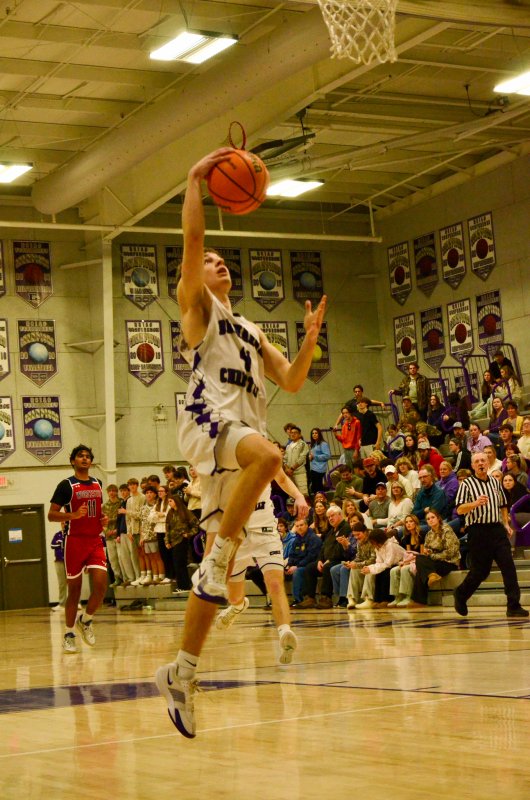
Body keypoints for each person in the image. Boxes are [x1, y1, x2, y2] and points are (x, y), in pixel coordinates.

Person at [155, 148, 327, 739]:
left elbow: (294, 379)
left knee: (210, 581)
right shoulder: (198, 309)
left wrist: (308, 339)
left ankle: (182, 670)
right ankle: (223, 553)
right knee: (273, 455)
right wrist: (194, 179)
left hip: (235, 447)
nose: (217, 263)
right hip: (210, 424)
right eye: (211, 260)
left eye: (225, 261)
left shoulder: (251, 328)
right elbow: (194, 237)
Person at [453, 452, 529, 618]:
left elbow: (503, 504)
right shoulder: (467, 484)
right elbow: (459, 509)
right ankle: (461, 593)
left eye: (483, 460)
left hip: (496, 529)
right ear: (472, 466)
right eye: (477, 461)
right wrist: (475, 503)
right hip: (477, 530)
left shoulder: (495, 482)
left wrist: (506, 524)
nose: (480, 463)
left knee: (508, 566)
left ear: (488, 463)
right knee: (481, 571)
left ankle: (513, 605)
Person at [48, 445, 108, 654]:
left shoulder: (98, 483)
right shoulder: (66, 485)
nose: (84, 459)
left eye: (88, 456)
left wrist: (103, 519)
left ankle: (87, 620)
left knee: (101, 584)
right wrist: (72, 516)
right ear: (73, 461)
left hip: (95, 540)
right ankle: (69, 633)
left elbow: (97, 511)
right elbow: (51, 514)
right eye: (80, 456)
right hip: (74, 542)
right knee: (74, 591)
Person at [297, 504, 350, 609]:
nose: (330, 518)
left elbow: (340, 549)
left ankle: (326, 597)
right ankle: (310, 598)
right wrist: (320, 560)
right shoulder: (331, 531)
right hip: (326, 560)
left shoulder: (346, 528)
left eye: (332, 516)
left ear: (340, 515)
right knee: (309, 568)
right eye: (329, 517)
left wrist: (329, 559)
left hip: (340, 560)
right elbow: (323, 548)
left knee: (328, 567)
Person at [408, 508, 460, 606]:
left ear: (438, 518)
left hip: (449, 563)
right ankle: (431, 575)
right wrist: (428, 552)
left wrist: (432, 555)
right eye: (428, 519)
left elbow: (450, 552)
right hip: (436, 563)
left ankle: (419, 601)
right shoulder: (429, 534)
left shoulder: (446, 530)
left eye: (433, 517)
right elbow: (427, 549)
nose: (430, 520)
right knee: (420, 558)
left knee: (421, 567)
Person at [358, 530, 406, 607]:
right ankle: (378, 599)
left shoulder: (390, 545)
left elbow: (388, 563)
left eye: (373, 541)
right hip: (389, 565)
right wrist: (370, 568)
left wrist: (371, 569)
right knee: (378, 573)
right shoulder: (378, 548)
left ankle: (387, 599)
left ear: (378, 539)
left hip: (399, 563)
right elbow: (379, 562)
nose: (373, 544)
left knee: (385, 573)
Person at [165, 491, 199, 592]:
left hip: (182, 541)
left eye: (170, 501)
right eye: (168, 501)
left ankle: (185, 586)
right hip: (173, 541)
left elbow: (196, 524)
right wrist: (167, 541)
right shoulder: (170, 513)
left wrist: (188, 534)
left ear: (176, 501)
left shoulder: (185, 512)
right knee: (176, 564)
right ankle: (181, 585)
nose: (169, 503)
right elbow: (167, 528)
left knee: (181, 564)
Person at [285, 518, 322, 606]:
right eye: (297, 526)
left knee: (298, 571)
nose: (299, 528)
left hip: (310, 565)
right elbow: (292, 555)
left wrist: (296, 566)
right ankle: (277, 601)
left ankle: (298, 599)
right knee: (280, 572)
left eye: (301, 525)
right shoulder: (296, 540)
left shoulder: (313, 538)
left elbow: (311, 557)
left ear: (306, 525)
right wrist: (289, 565)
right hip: (297, 565)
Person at [102, 484, 123, 588]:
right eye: (110, 491)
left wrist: (116, 530)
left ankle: (125, 578)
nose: (112, 493)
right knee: (112, 559)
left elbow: (122, 519)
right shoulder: (104, 506)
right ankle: (117, 578)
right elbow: (101, 522)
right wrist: (106, 531)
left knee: (121, 557)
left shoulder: (121, 503)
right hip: (109, 537)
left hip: (119, 535)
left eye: (114, 491)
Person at [284, 425, 310, 496]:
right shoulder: (288, 446)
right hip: (290, 474)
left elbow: (302, 458)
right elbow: (285, 459)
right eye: (291, 432)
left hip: (300, 473)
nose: (293, 434)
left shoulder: (303, 444)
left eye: (295, 433)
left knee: (303, 494)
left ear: (299, 434)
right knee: (292, 495)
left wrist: (292, 469)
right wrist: (286, 469)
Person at [308, 427, 331, 494]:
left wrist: (315, 456)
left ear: (319, 434)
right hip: (313, 467)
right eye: (313, 433)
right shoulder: (314, 444)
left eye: (316, 433)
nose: (314, 434)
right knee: (315, 487)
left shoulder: (323, 444)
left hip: (319, 468)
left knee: (317, 488)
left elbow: (327, 455)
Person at [50, 523, 67, 611]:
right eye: (63, 523)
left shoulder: (71, 534)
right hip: (59, 561)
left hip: (70, 561)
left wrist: (62, 543)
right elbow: (52, 545)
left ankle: (77, 603)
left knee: (73, 583)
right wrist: (60, 544)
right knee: (62, 583)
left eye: (66, 523)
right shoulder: (57, 535)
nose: (64, 524)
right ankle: (62, 604)